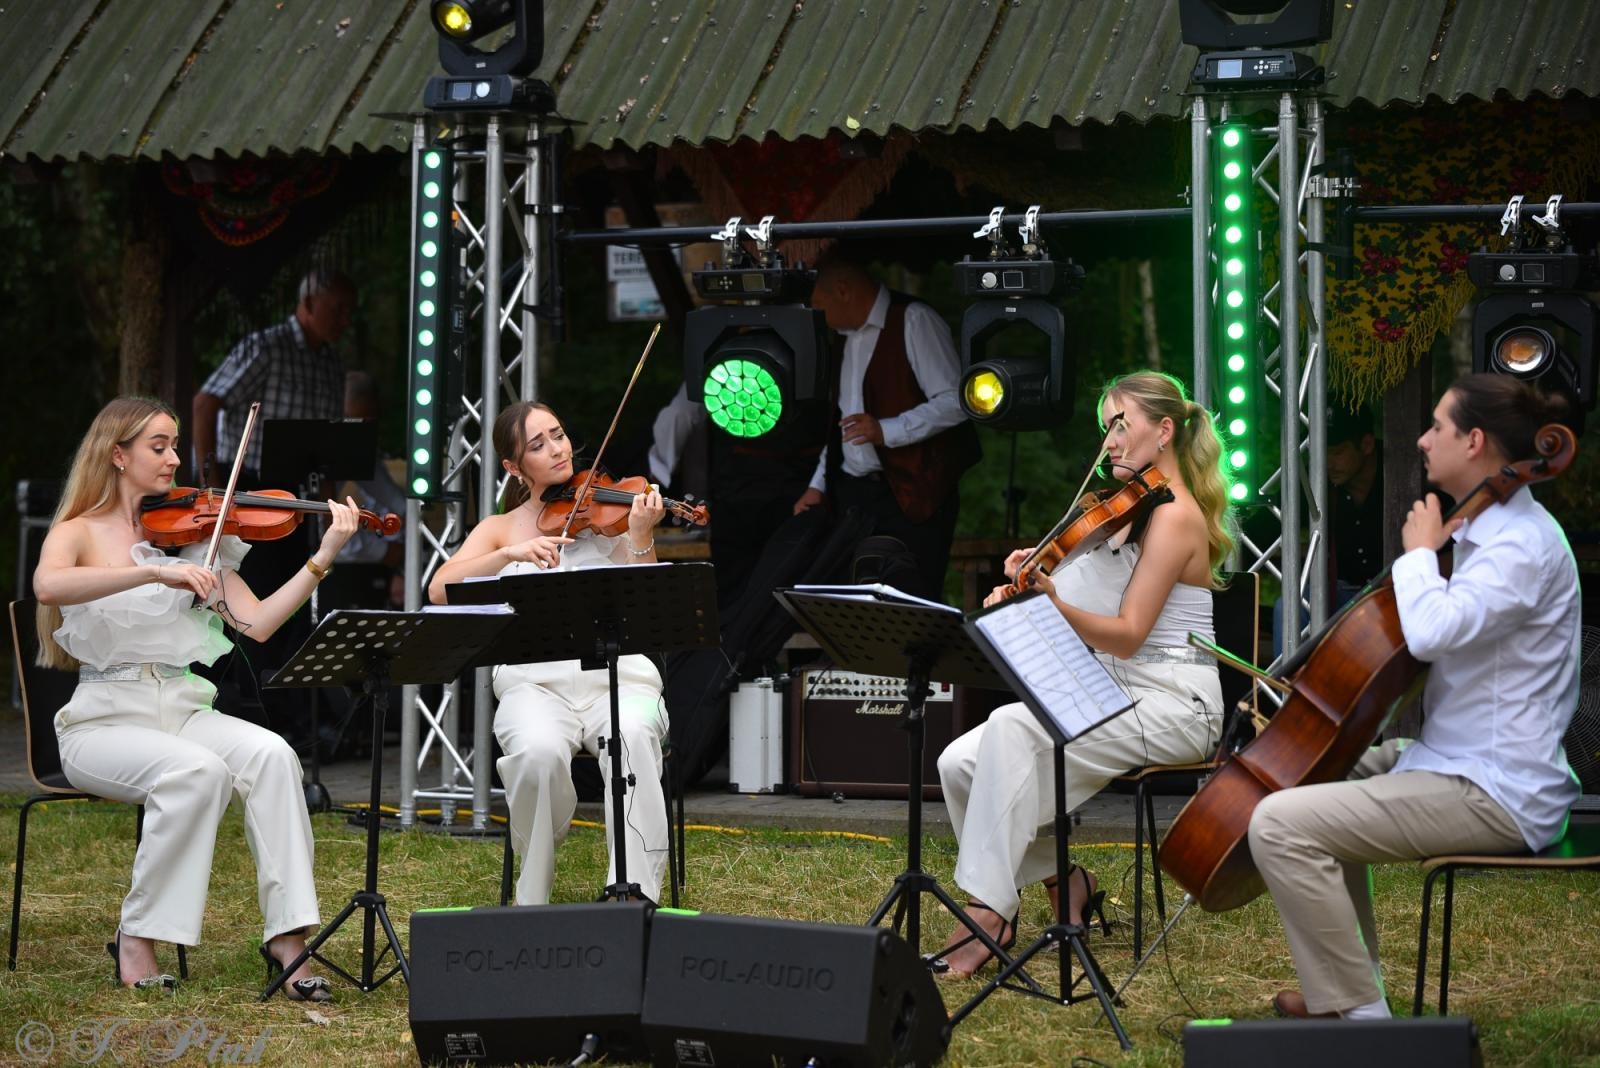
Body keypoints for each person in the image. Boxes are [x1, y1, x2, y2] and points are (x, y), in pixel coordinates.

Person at [1248, 374, 1581, 1021]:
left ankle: (1362, 1020)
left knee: (1279, 823)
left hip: (1497, 790)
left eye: (1436, 427)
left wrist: (1419, 554)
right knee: (1314, 769)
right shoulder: (1487, 533)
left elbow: (1430, 632)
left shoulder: (1520, 546)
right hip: (1454, 760)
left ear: (1474, 441)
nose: (1424, 440)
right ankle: (1349, 988)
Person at [32, 396, 360, 998]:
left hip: (182, 708)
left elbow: (258, 623)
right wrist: (153, 571)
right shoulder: (78, 531)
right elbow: (48, 585)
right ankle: (137, 936)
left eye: (175, 446)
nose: (175, 460)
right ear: (118, 455)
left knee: (272, 756)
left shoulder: (193, 539)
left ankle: (288, 940)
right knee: (197, 772)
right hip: (102, 722)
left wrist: (324, 556)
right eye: (158, 447)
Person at [934, 371, 1234, 977]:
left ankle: (988, 913)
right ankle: (1065, 879)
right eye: (1105, 429)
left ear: (1164, 431)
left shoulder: (1176, 517)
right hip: (1112, 691)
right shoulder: (1120, 514)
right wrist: (1028, 584)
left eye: (1121, 425)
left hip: (1175, 703)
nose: (1109, 442)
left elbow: (1128, 633)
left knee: (1011, 727)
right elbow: (1077, 608)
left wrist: (1053, 603)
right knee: (958, 762)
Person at [426, 401, 672, 906]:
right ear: (514, 467)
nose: (557, 449)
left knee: (634, 732)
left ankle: (634, 894)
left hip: (617, 677)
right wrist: (508, 554)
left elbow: (645, 599)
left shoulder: (609, 514)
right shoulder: (500, 527)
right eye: (538, 445)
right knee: (536, 754)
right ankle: (532, 894)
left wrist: (641, 534)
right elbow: (439, 589)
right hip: (533, 687)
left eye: (558, 435)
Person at [190, 269, 356, 748]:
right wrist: (212, 479)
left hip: (296, 497)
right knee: (252, 597)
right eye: (336, 309)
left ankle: (287, 713)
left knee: (296, 602)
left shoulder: (332, 364)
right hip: (246, 488)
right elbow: (205, 402)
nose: (344, 320)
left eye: (349, 311)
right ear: (307, 304)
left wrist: (328, 499)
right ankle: (240, 705)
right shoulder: (265, 346)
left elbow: (326, 439)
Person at [793, 256, 979, 602]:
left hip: (911, 495)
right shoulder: (845, 337)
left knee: (911, 601)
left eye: (818, 303)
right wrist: (817, 485)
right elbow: (843, 424)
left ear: (843, 290)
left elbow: (957, 401)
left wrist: (887, 430)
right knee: (853, 600)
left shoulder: (913, 320)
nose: (817, 313)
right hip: (854, 495)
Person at [1273, 404, 1384, 654]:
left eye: (1337, 451)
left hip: (1393, 596)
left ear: (1366, 445)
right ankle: (1289, 681)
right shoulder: (1314, 479)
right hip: (1338, 594)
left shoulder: (1402, 470)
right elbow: (1264, 528)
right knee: (1288, 606)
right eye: (1321, 452)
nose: (1327, 462)